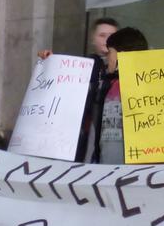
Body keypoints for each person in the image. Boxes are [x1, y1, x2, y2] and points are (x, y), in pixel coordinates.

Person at [37, 17, 119, 162]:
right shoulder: (79, 66)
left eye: (112, 36)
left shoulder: (125, 68)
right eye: (102, 35)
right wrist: (49, 62)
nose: (107, 40)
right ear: (93, 39)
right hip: (83, 134)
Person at [92, 26, 149, 164]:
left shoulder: (150, 86)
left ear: (121, 55)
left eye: (110, 53)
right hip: (103, 170)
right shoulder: (103, 84)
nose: (107, 58)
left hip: (132, 172)